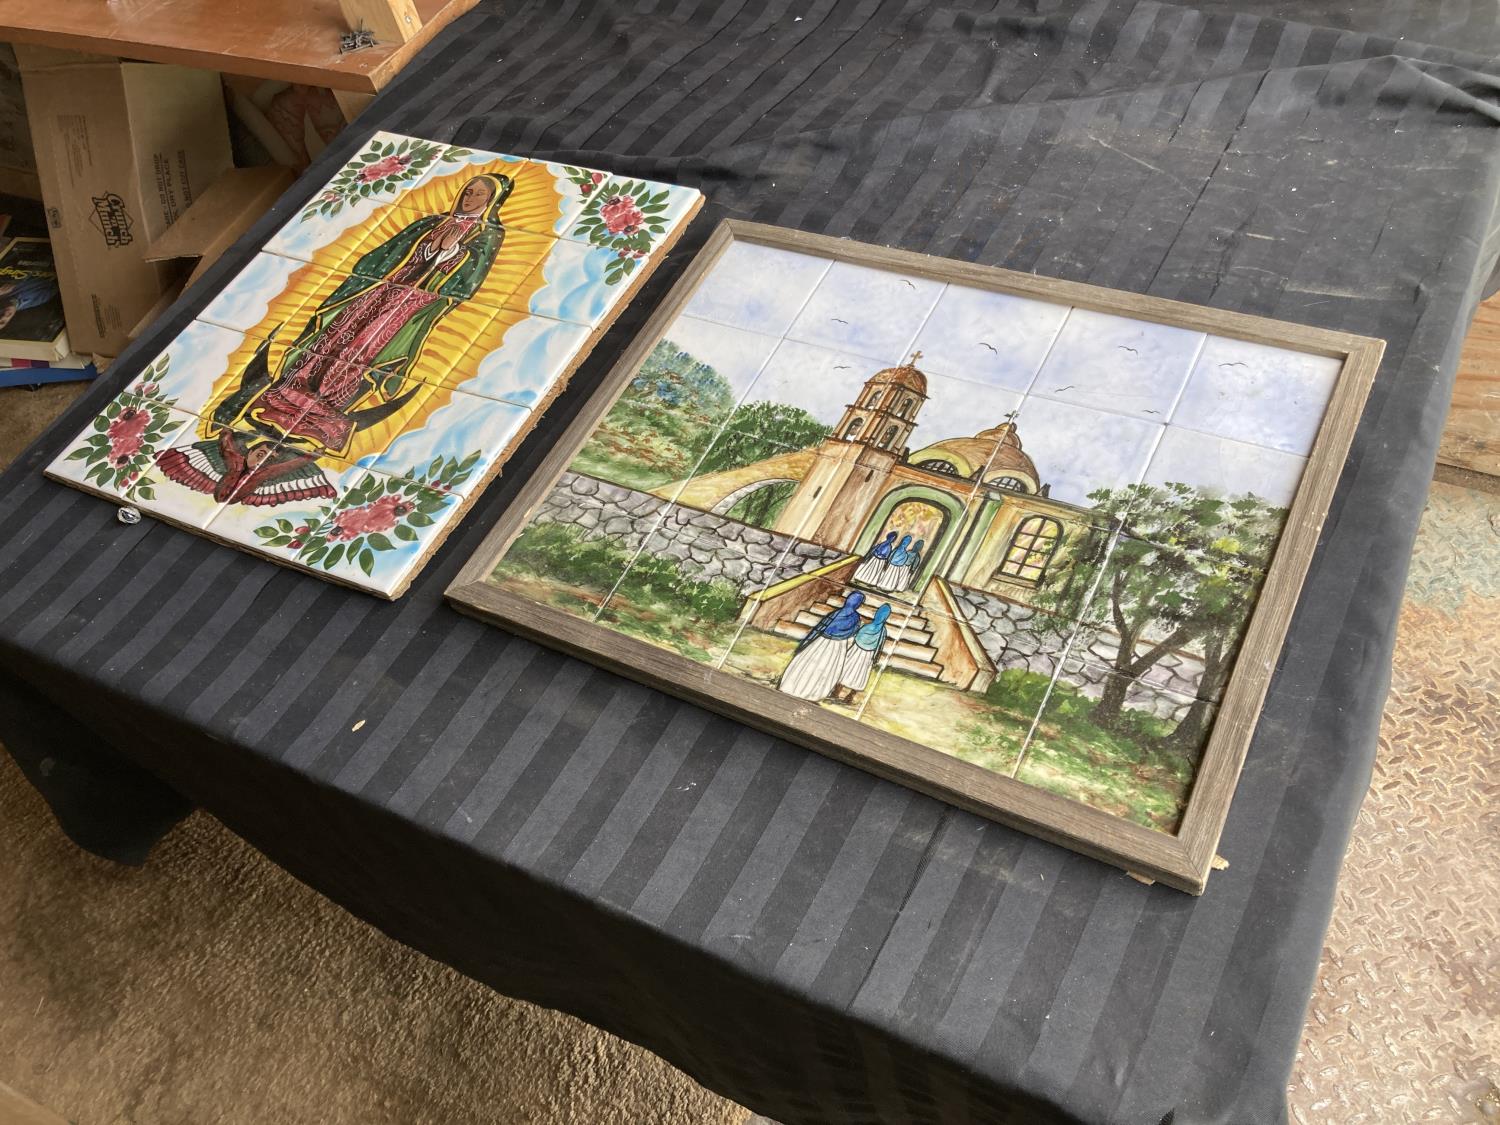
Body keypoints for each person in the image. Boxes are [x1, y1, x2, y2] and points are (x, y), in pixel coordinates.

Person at [158, 174, 513, 506]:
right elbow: (386, 255)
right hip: (383, 287)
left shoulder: (488, 235)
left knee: (368, 347)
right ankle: (296, 387)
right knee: (336, 334)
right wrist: (430, 246)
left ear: (492, 200)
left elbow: (468, 279)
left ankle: (326, 402)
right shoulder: (430, 222)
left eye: (479, 194)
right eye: (468, 191)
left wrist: (451, 252)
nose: (470, 198)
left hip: (414, 304)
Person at [779, 591, 865, 702]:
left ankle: (793, 687)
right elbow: (853, 632)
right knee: (826, 668)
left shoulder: (835, 613)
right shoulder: (856, 618)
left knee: (808, 664)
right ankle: (813, 694)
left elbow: (821, 626)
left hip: (820, 642)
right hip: (838, 646)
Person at [834, 603, 891, 703]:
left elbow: (857, 637)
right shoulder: (883, 631)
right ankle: (850, 695)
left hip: (856, 650)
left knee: (847, 668)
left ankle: (836, 691)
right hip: (868, 655)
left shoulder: (867, 626)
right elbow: (880, 645)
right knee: (861, 673)